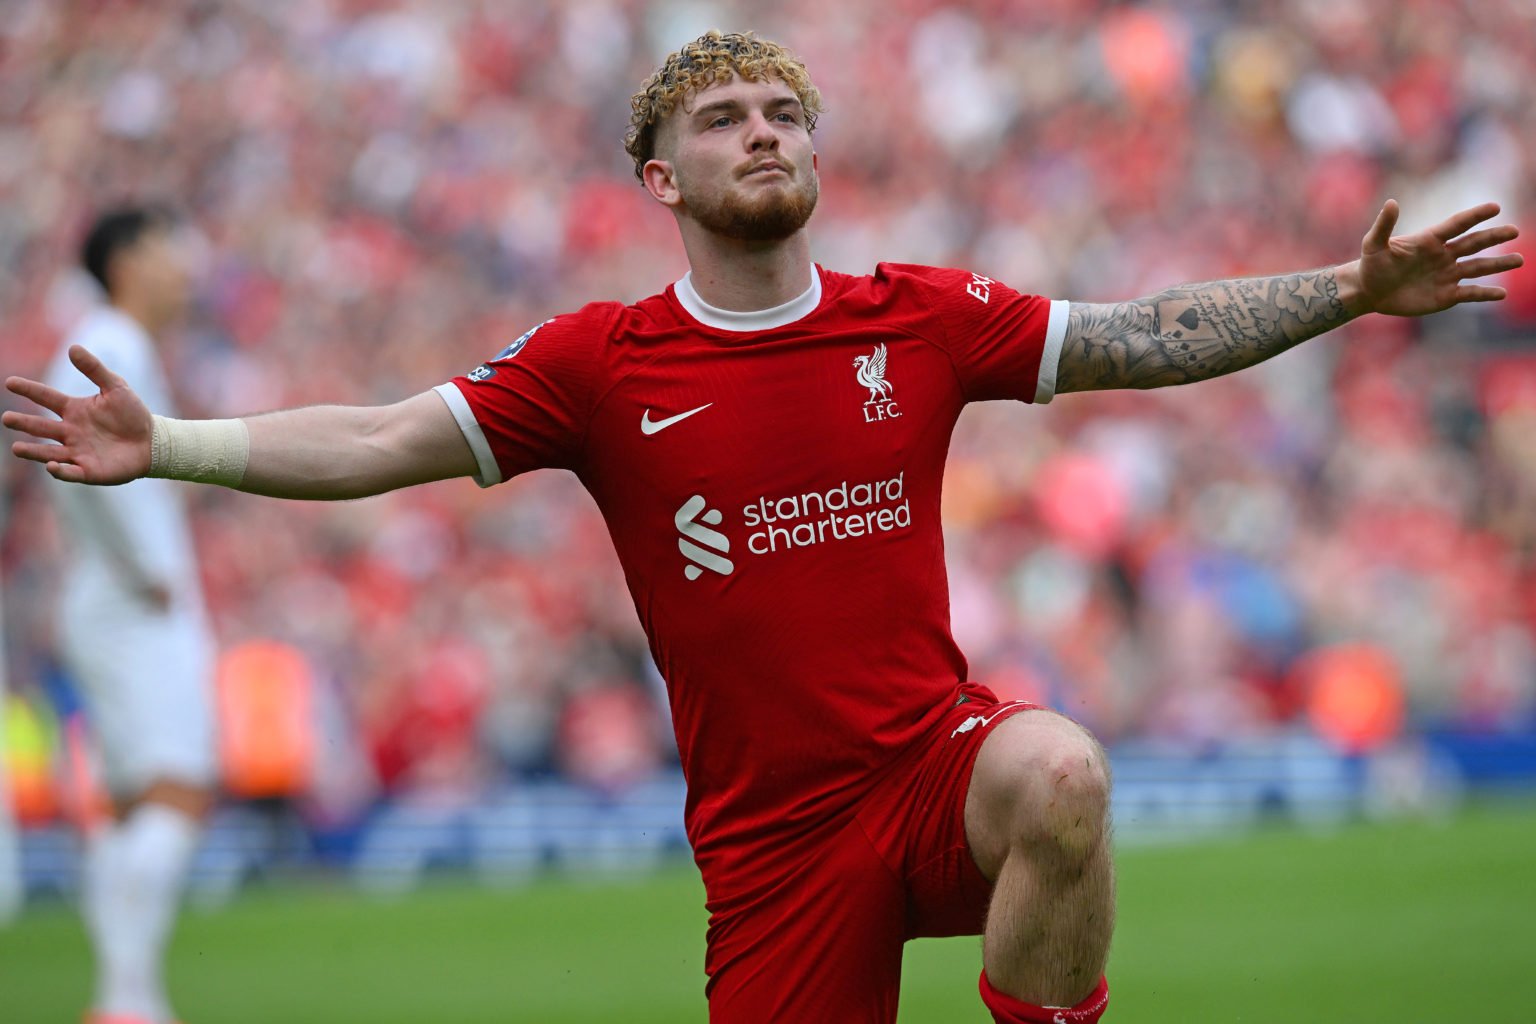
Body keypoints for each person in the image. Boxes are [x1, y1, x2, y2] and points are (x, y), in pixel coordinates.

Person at [4, 31, 1521, 1024]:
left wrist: (1341, 291)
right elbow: (388, 435)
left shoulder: (915, 321)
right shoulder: (601, 362)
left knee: (1061, 769)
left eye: (786, 112)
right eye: (724, 117)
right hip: (776, 851)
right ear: (661, 176)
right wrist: (173, 447)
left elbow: (1143, 334)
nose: (764, 132)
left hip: (933, 766)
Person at [35, 205, 218, 1024]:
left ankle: (128, 998)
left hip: (112, 599)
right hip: (133, 605)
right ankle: (126, 1000)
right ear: (128, 260)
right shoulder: (107, 343)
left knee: (130, 807)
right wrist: (145, 567)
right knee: (176, 794)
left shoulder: (117, 341)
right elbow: (76, 452)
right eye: (168, 247)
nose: (184, 268)